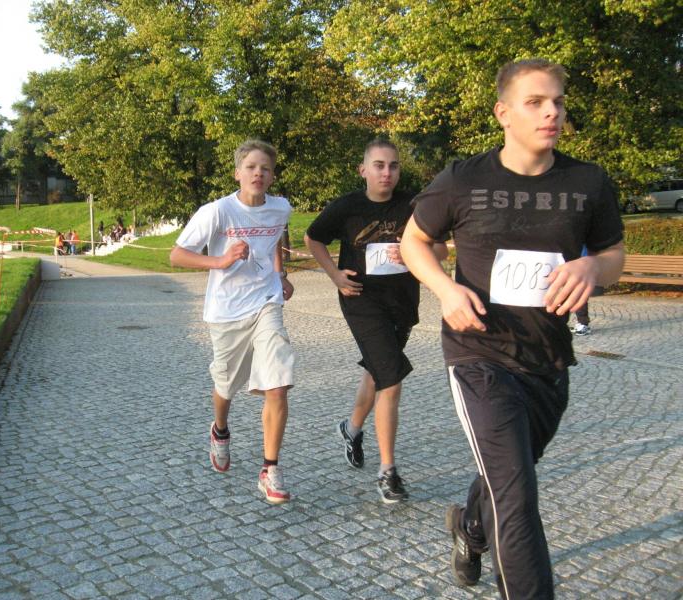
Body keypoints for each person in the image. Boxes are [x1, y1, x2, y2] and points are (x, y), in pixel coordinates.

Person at [400, 59, 625, 598]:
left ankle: (469, 528)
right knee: (518, 495)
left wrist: (592, 268)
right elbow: (413, 241)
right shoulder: (464, 178)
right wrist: (446, 289)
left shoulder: (588, 181)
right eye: (535, 102)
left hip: (548, 359)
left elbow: (614, 256)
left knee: (509, 476)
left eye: (558, 102)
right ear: (503, 113)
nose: (552, 112)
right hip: (478, 353)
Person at [304, 138, 448, 503]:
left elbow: (441, 250)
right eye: (379, 165)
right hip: (361, 300)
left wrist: (415, 251)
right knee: (391, 378)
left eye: (393, 166)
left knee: (378, 370)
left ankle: (351, 429)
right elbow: (313, 238)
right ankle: (388, 472)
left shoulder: (414, 206)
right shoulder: (348, 206)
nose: (387, 173)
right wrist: (334, 274)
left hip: (402, 303)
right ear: (363, 170)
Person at [170, 139, 295, 504]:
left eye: (265, 168)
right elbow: (177, 255)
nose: (258, 173)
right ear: (237, 173)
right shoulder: (217, 212)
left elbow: (273, 240)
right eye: (251, 167)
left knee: (278, 383)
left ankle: (270, 469)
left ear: (272, 176)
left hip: (266, 303)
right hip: (226, 311)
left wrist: (280, 275)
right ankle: (220, 429)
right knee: (226, 385)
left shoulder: (280, 208)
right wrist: (221, 261)